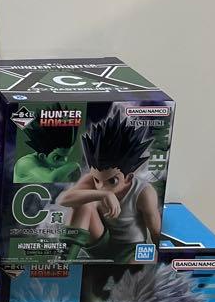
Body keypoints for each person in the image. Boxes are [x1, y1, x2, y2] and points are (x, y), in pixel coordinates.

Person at [57, 108, 160, 262]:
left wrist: (161, 259)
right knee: (83, 203)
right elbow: (64, 199)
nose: (101, 186)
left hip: (130, 250)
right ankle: (63, 262)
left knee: (137, 268)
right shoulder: (91, 180)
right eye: (97, 180)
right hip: (102, 242)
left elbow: (155, 231)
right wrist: (104, 194)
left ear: (128, 177)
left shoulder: (143, 192)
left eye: (112, 181)